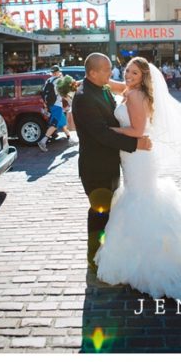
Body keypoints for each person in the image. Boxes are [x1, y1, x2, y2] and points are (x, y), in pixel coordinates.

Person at [93, 57, 181, 299]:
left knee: (141, 199)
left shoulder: (137, 96)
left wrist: (105, 131)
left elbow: (137, 131)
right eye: (128, 71)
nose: (129, 76)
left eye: (135, 73)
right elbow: (115, 85)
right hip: (132, 156)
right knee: (138, 196)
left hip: (139, 157)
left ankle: (154, 261)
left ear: (143, 78)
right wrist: (93, 80)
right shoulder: (131, 89)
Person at [71, 54, 153, 270]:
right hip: (96, 167)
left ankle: (106, 254)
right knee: (99, 213)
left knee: (109, 212)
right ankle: (95, 258)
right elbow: (101, 134)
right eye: (107, 70)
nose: (112, 73)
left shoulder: (101, 88)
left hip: (112, 164)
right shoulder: (84, 96)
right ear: (93, 73)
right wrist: (136, 144)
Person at [38, 65, 74, 152]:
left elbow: (43, 94)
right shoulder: (58, 81)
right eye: (59, 72)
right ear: (57, 72)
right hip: (56, 105)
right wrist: (71, 102)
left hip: (51, 105)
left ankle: (69, 138)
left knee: (63, 121)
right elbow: (63, 94)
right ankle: (43, 141)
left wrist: (46, 106)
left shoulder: (49, 80)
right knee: (54, 125)